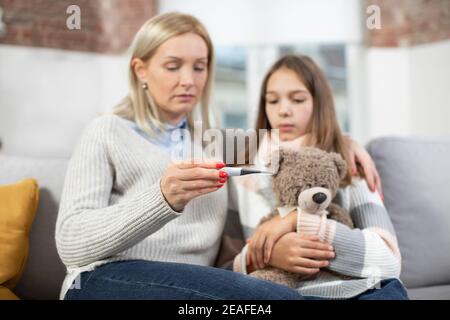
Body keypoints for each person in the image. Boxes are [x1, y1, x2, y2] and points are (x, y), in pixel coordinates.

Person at [56, 12, 381, 300]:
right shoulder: (106, 131)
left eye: (200, 67)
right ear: (140, 70)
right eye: (173, 66)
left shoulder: (215, 144)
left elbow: (283, 146)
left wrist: (344, 141)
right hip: (105, 280)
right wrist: (162, 198)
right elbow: (70, 243)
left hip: (197, 287)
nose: (189, 80)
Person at [229, 55, 409, 300]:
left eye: (298, 99)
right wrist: (266, 254)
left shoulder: (349, 162)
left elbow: (388, 261)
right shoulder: (242, 171)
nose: (283, 110)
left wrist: (298, 220)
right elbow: (228, 265)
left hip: (357, 292)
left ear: (319, 103)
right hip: (280, 294)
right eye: (272, 100)